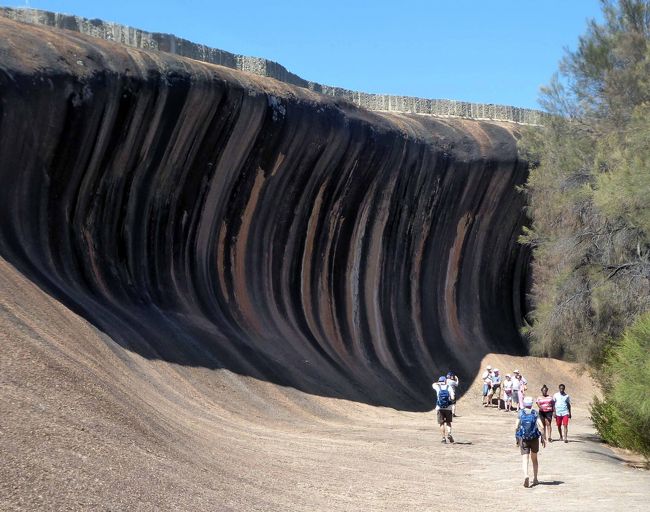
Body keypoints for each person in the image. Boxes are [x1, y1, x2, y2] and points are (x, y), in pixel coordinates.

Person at [515, 396, 546, 487]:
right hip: (534, 438)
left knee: (525, 458)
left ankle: (526, 475)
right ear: (531, 404)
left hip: (524, 438)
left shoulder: (520, 413)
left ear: (524, 403)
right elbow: (542, 427)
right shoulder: (535, 413)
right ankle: (535, 478)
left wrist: (517, 439)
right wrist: (543, 438)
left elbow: (516, 426)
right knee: (534, 459)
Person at [433, 375, 456, 443]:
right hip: (448, 408)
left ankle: (443, 438)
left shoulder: (437, 386)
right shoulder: (449, 387)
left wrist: (438, 383)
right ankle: (449, 433)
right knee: (448, 422)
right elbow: (452, 398)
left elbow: (433, 384)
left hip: (439, 408)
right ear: (445, 381)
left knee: (441, 423)